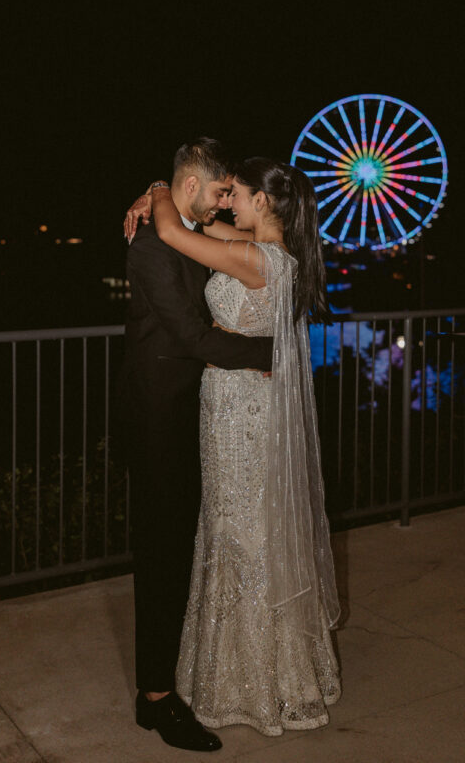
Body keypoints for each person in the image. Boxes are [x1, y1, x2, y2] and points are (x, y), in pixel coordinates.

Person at [128, 157, 341, 737]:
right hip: (238, 401)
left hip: (240, 409)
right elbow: (195, 228)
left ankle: (244, 677)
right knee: (244, 527)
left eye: (237, 196)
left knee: (239, 530)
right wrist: (160, 189)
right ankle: (259, 667)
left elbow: (174, 233)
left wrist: (153, 190)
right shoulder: (273, 252)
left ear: (264, 204)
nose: (228, 204)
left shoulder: (255, 258)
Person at [122, 138, 274, 753]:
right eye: (216, 192)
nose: (221, 204)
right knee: (159, 553)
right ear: (190, 186)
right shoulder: (152, 243)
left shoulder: (179, 225)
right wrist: (273, 355)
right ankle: (155, 699)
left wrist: (154, 192)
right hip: (160, 415)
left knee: (180, 547)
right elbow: (188, 334)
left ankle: (166, 677)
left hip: (197, 413)